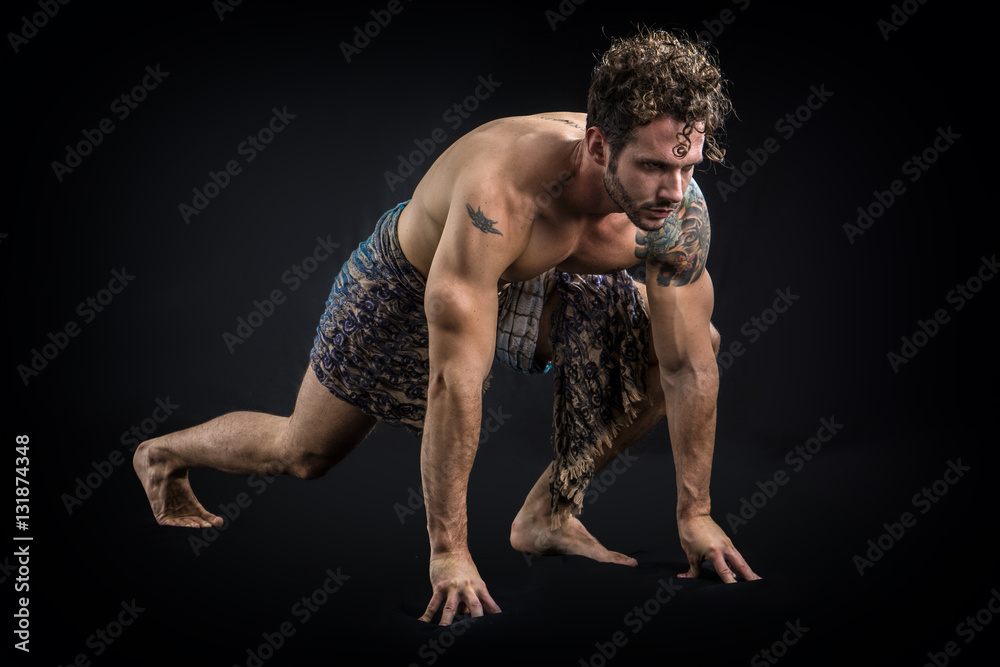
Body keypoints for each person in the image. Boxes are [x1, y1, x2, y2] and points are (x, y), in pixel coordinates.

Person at [133, 28, 760, 627]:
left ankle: (547, 512)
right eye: (653, 167)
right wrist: (449, 553)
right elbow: (454, 383)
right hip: (415, 278)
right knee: (304, 452)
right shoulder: (500, 195)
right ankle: (163, 455)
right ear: (598, 147)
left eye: (689, 166)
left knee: (691, 341)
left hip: (546, 277)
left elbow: (685, 366)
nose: (675, 191)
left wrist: (696, 514)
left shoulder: (674, 212)